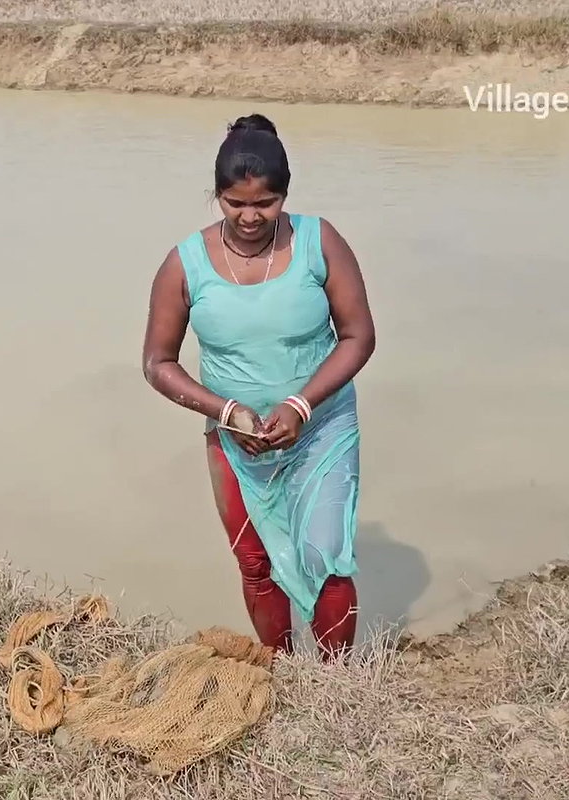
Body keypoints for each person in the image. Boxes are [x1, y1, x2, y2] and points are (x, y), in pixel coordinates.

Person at [141, 113, 377, 661]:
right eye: (234, 203)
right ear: (216, 196)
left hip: (320, 428)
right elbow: (158, 362)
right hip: (235, 440)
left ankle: (340, 685)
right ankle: (281, 671)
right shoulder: (186, 263)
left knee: (327, 555)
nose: (250, 217)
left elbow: (358, 336)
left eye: (265, 204)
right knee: (255, 563)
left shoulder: (320, 242)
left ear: (284, 195)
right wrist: (225, 412)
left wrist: (301, 404)